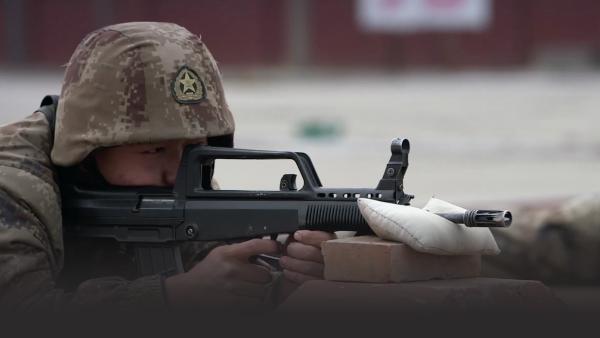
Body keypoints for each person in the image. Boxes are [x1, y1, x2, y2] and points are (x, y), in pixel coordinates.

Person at [0, 22, 334, 311]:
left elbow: (218, 285)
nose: (176, 172)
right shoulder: (12, 183)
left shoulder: (170, 184)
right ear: (89, 147)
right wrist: (171, 298)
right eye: (154, 150)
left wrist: (285, 282)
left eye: (192, 148)